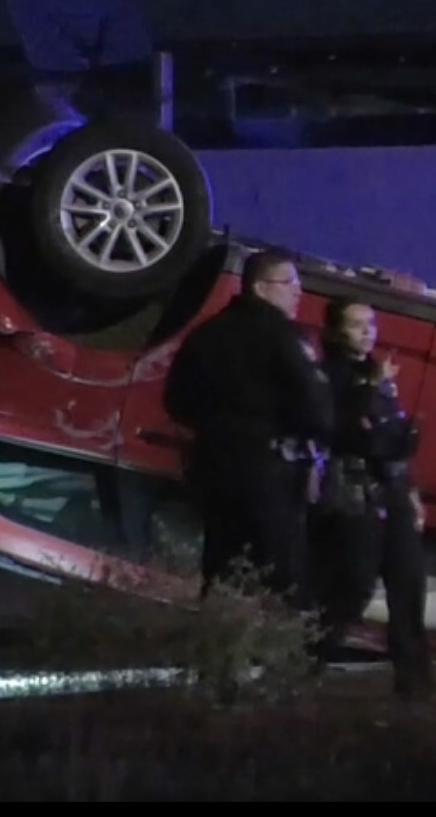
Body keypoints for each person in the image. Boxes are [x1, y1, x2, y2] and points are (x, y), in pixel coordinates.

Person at [161, 249, 335, 608]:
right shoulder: (283, 337)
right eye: (289, 284)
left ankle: (217, 650)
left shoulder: (207, 333)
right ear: (260, 287)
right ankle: (272, 657)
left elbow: (176, 399)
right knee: (280, 576)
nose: (298, 292)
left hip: (215, 468)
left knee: (222, 570)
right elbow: (315, 407)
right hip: (269, 473)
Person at [309, 298, 434, 701]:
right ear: (336, 331)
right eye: (356, 325)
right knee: (351, 587)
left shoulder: (377, 374)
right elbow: (346, 432)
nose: (367, 332)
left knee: (408, 584)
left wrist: (410, 493)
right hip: (353, 495)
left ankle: (415, 688)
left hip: (390, 492)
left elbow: (391, 440)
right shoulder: (329, 375)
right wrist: (372, 390)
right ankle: (306, 665)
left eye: (371, 324)